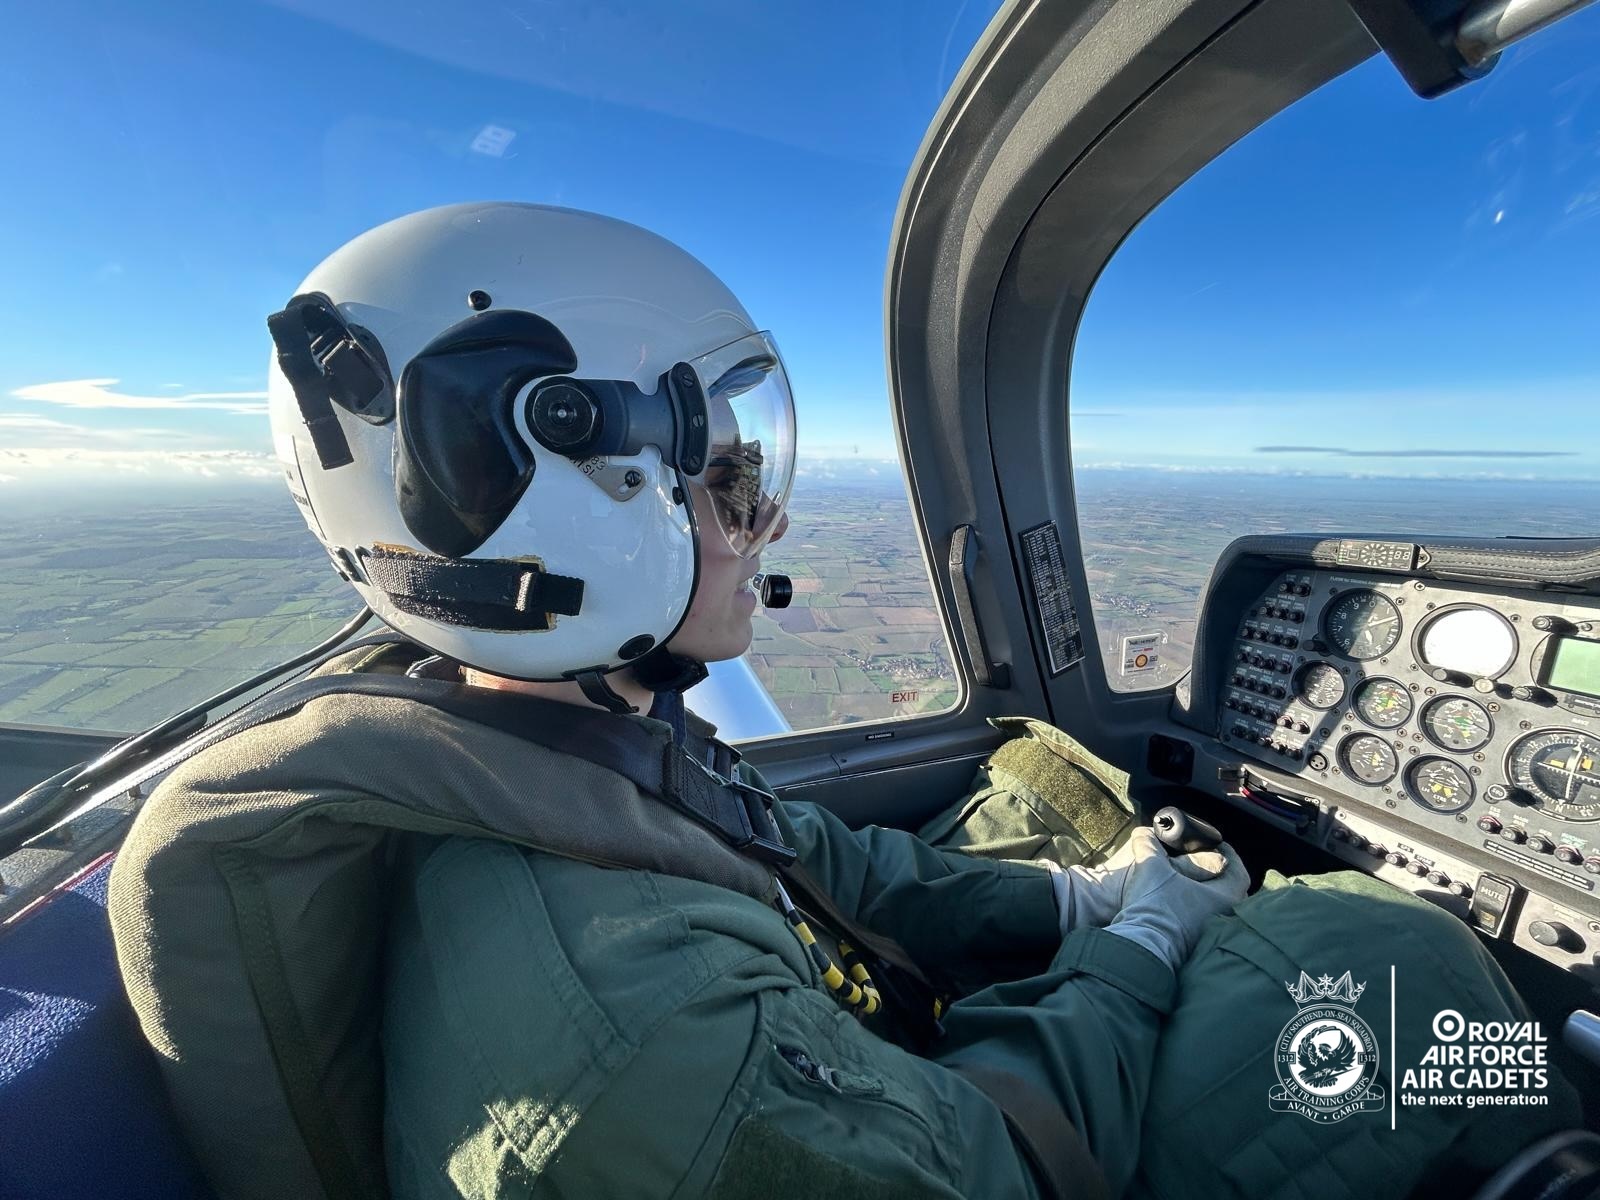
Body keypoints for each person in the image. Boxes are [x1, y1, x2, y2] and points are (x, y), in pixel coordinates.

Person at [110, 202, 1580, 1200]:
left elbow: (801, 850)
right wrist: (1142, 950)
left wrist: (1081, 911)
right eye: (733, 476)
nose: (768, 520)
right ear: (569, 477)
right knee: (1386, 959)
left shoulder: (529, 738)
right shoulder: (644, 1044)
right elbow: (993, 1162)